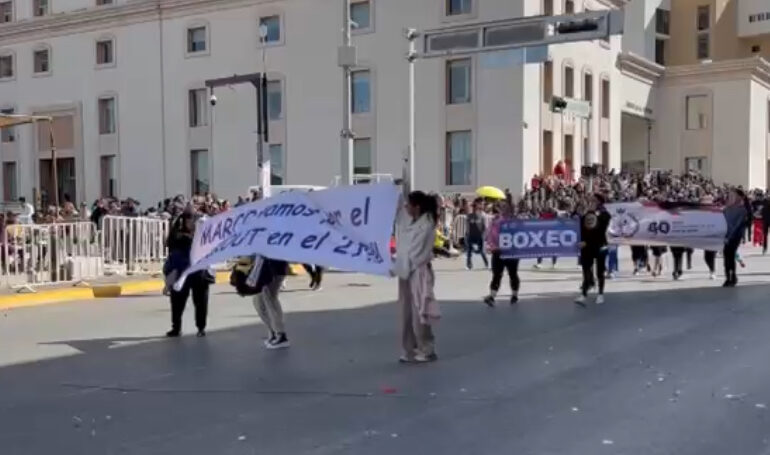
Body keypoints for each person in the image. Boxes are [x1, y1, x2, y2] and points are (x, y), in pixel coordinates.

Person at [394, 191, 440, 363]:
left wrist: (398, 266)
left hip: (418, 271)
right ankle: (409, 348)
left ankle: (427, 348)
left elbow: (416, 253)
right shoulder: (408, 220)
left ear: (417, 207)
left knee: (419, 312)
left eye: (409, 204)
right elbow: (398, 211)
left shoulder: (426, 224)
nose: (406, 207)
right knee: (405, 313)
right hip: (404, 270)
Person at [165, 212, 212, 338]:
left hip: (199, 273)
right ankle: (176, 327)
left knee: (201, 301)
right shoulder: (178, 236)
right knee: (177, 301)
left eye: (194, 220)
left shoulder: (204, 236)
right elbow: (173, 251)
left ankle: (201, 327)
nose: (192, 223)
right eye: (190, 220)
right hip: (181, 272)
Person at [575, 194, 611, 306]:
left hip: (600, 246)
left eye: (594, 201)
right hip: (586, 246)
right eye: (590, 200)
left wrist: (595, 213)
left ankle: (600, 294)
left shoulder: (604, 214)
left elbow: (601, 231)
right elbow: (580, 225)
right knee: (586, 270)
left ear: (599, 202)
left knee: (600, 272)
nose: (591, 202)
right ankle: (584, 294)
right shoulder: (586, 213)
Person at [483, 201, 520, 306]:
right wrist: (490, 246)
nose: (497, 212)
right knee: (497, 275)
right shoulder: (494, 221)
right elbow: (490, 235)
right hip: (498, 251)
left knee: (512, 274)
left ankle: (514, 295)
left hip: (511, 252)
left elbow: (519, 235)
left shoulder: (512, 221)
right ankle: (492, 296)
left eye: (499, 209)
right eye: (496, 210)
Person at [251, 256, 291, 349]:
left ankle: (281, 335)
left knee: (270, 298)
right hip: (260, 268)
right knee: (258, 301)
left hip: (274, 269)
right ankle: (273, 331)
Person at [723, 188, 748, 287]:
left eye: (733, 195)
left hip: (735, 236)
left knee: (731, 254)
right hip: (726, 236)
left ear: (739, 197)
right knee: (726, 256)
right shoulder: (726, 209)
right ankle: (728, 277)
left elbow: (737, 225)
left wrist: (729, 236)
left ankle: (732, 276)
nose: (730, 197)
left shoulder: (742, 210)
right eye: (730, 195)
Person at [465, 200, 488, 270]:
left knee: (481, 251)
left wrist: (484, 235)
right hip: (471, 235)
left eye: (475, 207)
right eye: (473, 207)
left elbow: (484, 227)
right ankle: (469, 264)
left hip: (479, 236)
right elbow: (467, 226)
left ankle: (486, 262)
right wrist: (467, 234)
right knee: (469, 250)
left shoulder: (482, 216)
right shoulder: (469, 216)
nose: (474, 209)